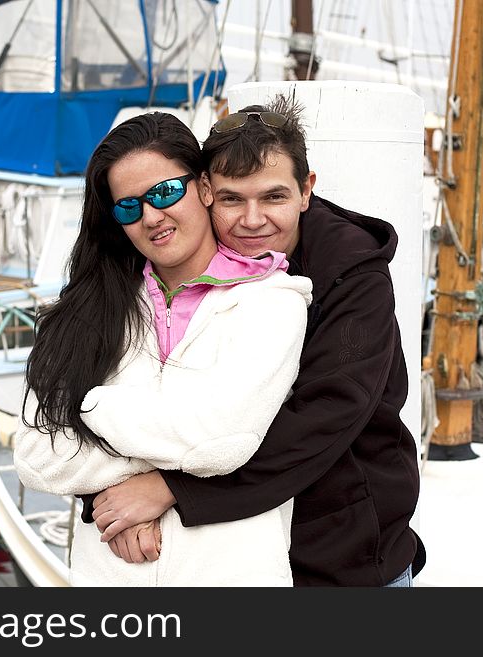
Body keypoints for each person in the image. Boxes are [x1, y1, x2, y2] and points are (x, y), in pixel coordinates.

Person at [86, 95, 425, 587]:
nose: (252, 220)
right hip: (237, 556)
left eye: (273, 197)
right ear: (205, 193)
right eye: (231, 199)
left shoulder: (352, 275)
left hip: (342, 555)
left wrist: (171, 490)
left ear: (306, 191)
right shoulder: (185, 273)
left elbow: (329, 413)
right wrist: (112, 497)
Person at [13, 111, 313, 586]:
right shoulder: (89, 311)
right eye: (130, 207)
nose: (152, 216)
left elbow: (220, 441)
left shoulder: (271, 302)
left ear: (204, 188)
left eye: (165, 192)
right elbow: (35, 455)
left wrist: (91, 407)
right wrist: (134, 482)